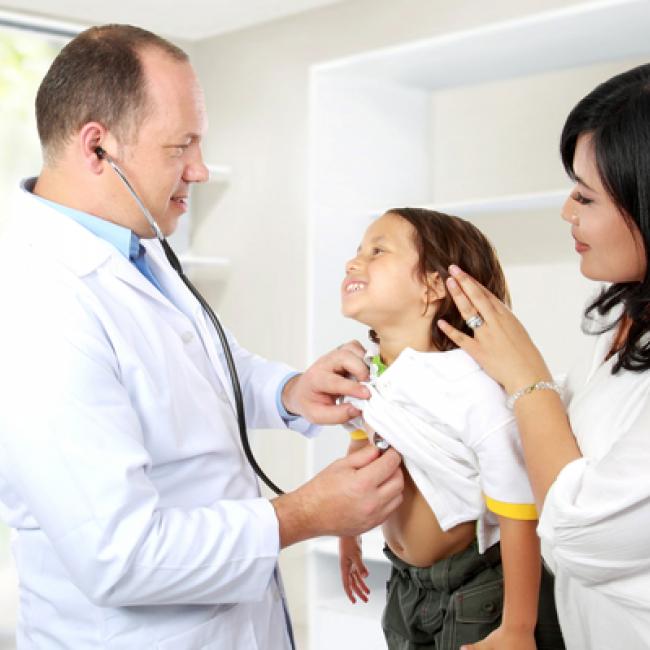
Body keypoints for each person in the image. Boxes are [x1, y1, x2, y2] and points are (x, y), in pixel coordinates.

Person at [0, 25, 404, 649]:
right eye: (180, 145)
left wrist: (288, 391)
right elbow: (120, 553)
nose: (200, 168)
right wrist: (306, 514)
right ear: (96, 147)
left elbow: (197, 372)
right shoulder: (36, 303)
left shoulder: (137, 246)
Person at [438, 63, 650, 650]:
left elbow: (577, 534)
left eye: (586, 195)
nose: (567, 211)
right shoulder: (625, 318)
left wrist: (525, 379)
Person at [337, 208, 564, 650]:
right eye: (357, 251)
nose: (353, 262)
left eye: (377, 251)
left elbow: (520, 512)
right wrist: (347, 530)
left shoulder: (471, 388)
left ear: (434, 286)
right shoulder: (368, 375)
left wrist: (517, 628)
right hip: (406, 582)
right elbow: (361, 454)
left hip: (476, 588)